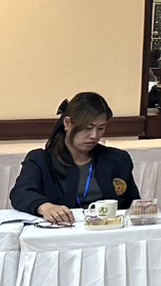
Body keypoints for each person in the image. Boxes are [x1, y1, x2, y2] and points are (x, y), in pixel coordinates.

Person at [10, 94, 140, 225]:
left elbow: (132, 204)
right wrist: (46, 207)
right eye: (88, 128)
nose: (94, 135)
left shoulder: (117, 160)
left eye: (101, 128)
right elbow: (21, 193)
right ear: (67, 123)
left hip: (107, 230)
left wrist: (142, 208)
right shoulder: (41, 160)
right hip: (62, 231)